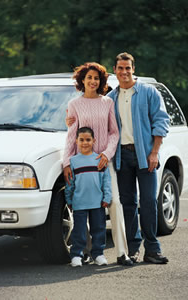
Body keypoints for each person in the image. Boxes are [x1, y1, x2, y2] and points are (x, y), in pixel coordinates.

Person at [63, 62, 133, 266]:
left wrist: (107, 153)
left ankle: (122, 253)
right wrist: (67, 162)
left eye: (96, 78)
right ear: (82, 80)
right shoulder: (74, 105)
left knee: (114, 202)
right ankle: (84, 252)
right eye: (89, 78)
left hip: (103, 162)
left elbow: (114, 132)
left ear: (101, 82)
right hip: (81, 163)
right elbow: (71, 135)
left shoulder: (107, 103)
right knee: (81, 206)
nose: (93, 81)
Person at [107, 52, 170, 264]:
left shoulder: (148, 92)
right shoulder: (110, 98)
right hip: (121, 157)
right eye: (120, 68)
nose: (124, 72)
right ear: (114, 70)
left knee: (149, 201)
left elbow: (161, 121)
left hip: (145, 155)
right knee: (128, 203)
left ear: (133, 69)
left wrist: (154, 152)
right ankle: (132, 249)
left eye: (128, 68)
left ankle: (152, 249)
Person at [65, 127, 111, 267]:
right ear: (76, 141)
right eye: (82, 140)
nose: (85, 143)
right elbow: (70, 183)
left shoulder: (99, 160)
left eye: (88, 140)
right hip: (79, 202)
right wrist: (69, 199)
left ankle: (98, 254)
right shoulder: (73, 161)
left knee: (98, 229)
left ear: (94, 141)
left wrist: (107, 197)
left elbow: (106, 180)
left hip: (97, 202)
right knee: (78, 231)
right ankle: (77, 255)